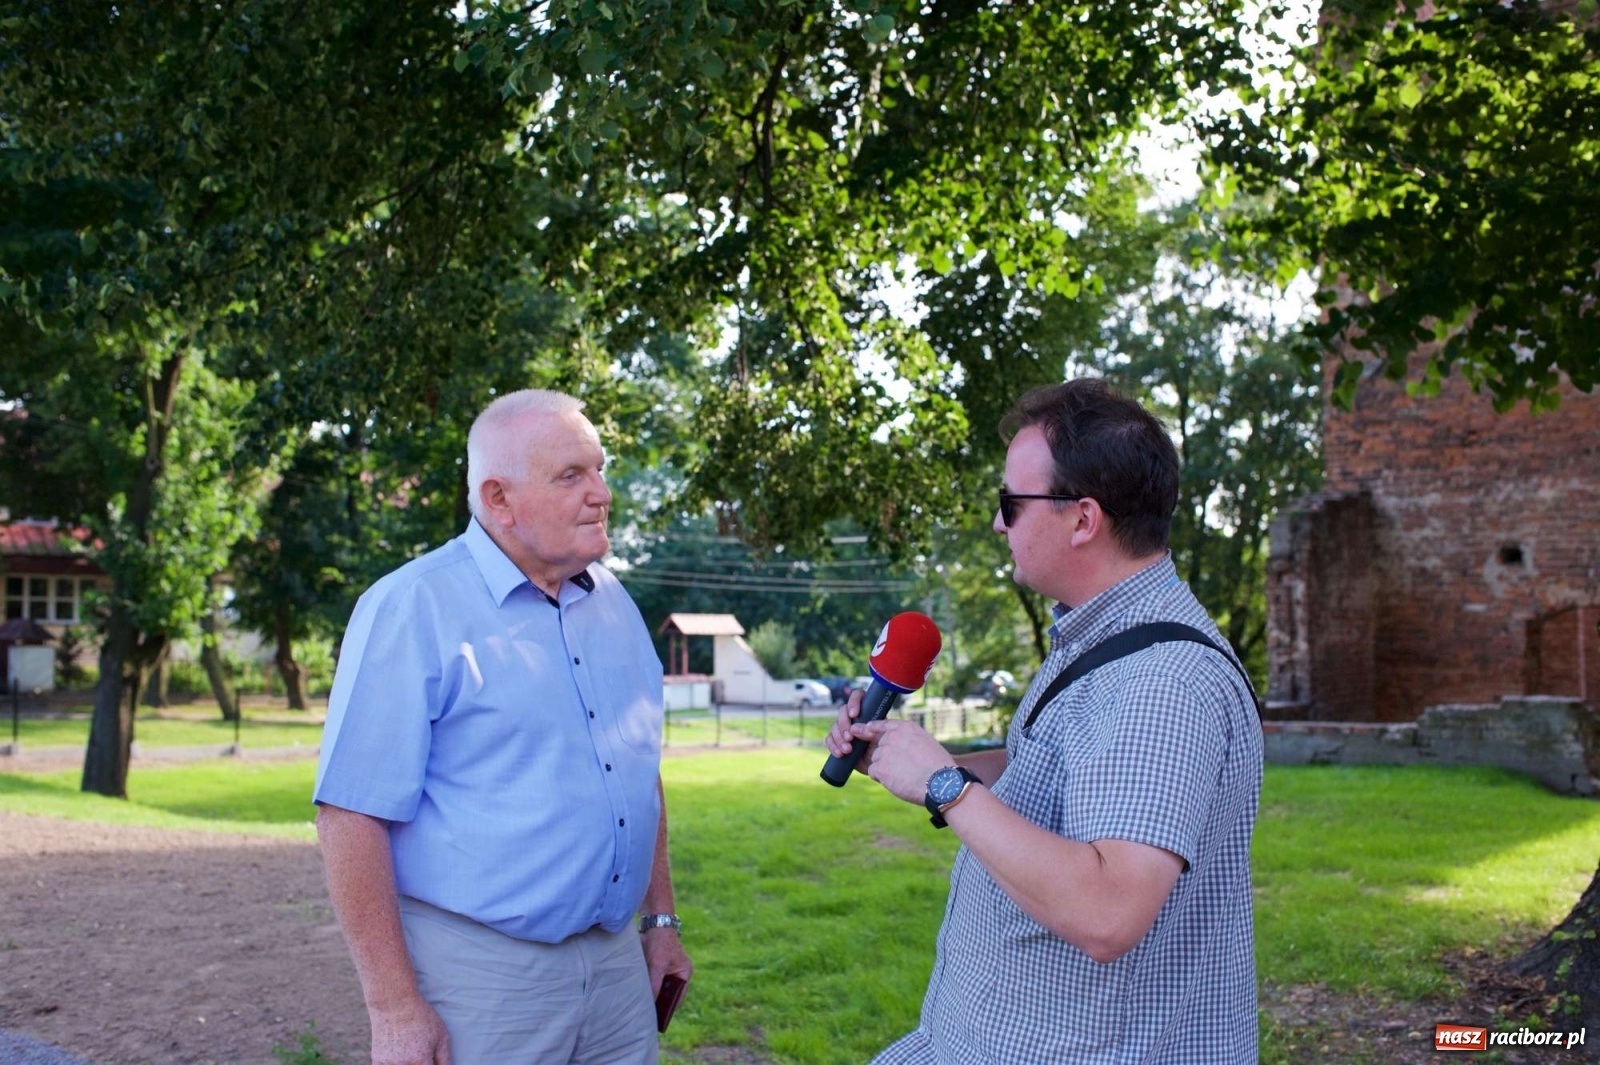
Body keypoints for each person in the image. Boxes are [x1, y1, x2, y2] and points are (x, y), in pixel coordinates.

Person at [826, 377, 1262, 1064]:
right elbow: (1056, 776)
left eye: (1011, 503)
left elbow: (1109, 912)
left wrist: (946, 786)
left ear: (1083, 519)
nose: (999, 524)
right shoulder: (1101, 641)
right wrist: (910, 759)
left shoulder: (1162, 680)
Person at [315, 389, 691, 1065]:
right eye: (571, 476)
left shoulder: (615, 604)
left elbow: (635, 774)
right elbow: (350, 815)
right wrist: (395, 1007)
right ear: (498, 500)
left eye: (599, 469)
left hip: (614, 974)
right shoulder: (411, 607)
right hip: (481, 981)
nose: (601, 493)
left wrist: (659, 920)